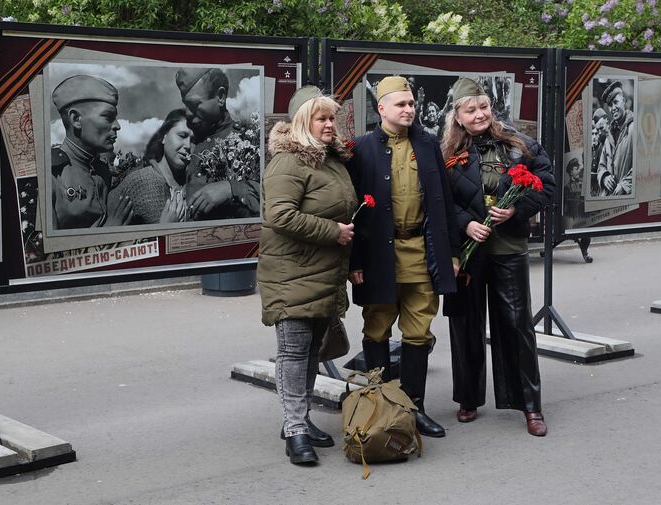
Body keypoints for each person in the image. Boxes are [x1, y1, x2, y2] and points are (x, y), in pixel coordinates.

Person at [346, 76, 460, 438]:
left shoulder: (427, 145)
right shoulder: (361, 148)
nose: (409, 110)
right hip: (379, 254)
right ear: (382, 108)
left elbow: (444, 201)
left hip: (420, 253)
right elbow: (351, 210)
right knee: (377, 326)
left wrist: (452, 253)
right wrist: (354, 262)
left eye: (411, 104)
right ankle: (379, 406)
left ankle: (415, 408)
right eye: (401, 105)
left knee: (418, 331)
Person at [441, 77, 555, 436]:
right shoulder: (444, 151)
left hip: (508, 249)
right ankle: (468, 398)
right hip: (468, 252)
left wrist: (517, 209)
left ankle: (530, 406)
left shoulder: (520, 144)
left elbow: (547, 186)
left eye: (484, 107)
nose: (479, 114)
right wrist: (465, 225)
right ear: (457, 115)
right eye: (471, 109)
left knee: (516, 325)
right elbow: (440, 201)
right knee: (465, 325)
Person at [257, 86, 357, 465]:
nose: (330, 124)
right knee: (294, 353)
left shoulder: (330, 160)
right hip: (292, 273)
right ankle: (295, 430)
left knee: (313, 351)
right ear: (303, 121)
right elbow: (279, 216)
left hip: (322, 271)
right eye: (322, 118)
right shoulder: (288, 162)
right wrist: (333, 232)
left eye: (332, 117)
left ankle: (301, 420)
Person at [175, 67, 260, 220]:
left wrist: (231, 188)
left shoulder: (248, 142)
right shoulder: (183, 142)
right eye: (185, 105)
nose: (187, 112)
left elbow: (278, 198)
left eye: (194, 105)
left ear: (220, 96)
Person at [51, 75, 133, 229]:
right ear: (76, 119)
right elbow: (43, 251)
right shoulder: (51, 175)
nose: (117, 126)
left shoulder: (104, 172)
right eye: (108, 117)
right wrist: (109, 231)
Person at [109, 109, 192, 224]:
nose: (188, 145)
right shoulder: (147, 181)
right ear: (163, 137)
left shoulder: (191, 184)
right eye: (182, 136)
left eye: (193, 140)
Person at [597, 81, 634, 196]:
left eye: (615, 102)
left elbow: (641, 166)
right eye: (610, 105)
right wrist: (604, 177)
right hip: (608, 199)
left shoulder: (634, 128)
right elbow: (601, 165)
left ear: (624, 101)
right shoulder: (609, 133)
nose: (612, 108)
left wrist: (624, 185)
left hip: (627, 201)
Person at [590, 107, 608, 196]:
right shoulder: (587, 151)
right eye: (592, 134)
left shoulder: (602, 147)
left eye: (596, 134)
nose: (594, 136)